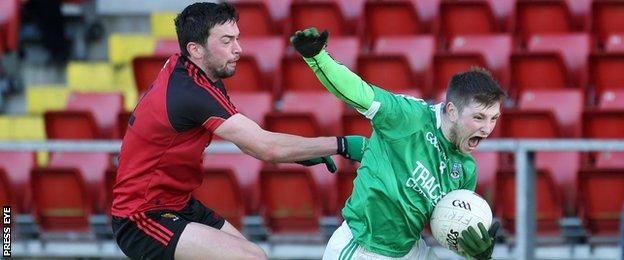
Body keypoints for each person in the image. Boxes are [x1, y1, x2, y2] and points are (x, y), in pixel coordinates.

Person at [110, 4, 366, 260]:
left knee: (255, 255)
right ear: (195, 49)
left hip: (177, 204)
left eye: (237, 38)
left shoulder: (194, 73)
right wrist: (342, 144)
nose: (238, 49)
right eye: (226, 41)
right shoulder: (193, 92)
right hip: (141, 216)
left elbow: (251, 141)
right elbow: (266, 147)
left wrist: (297, 153)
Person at [290, 28, 506, 260]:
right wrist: (317, 57)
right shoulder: (408, 117)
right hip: (363, 248)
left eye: (494, 118)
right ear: (452, 111)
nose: (487, 128)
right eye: (479, 118)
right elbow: (357, 91)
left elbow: (448, 223)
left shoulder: (465, 169)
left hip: (410, 250)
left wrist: (475, 253)